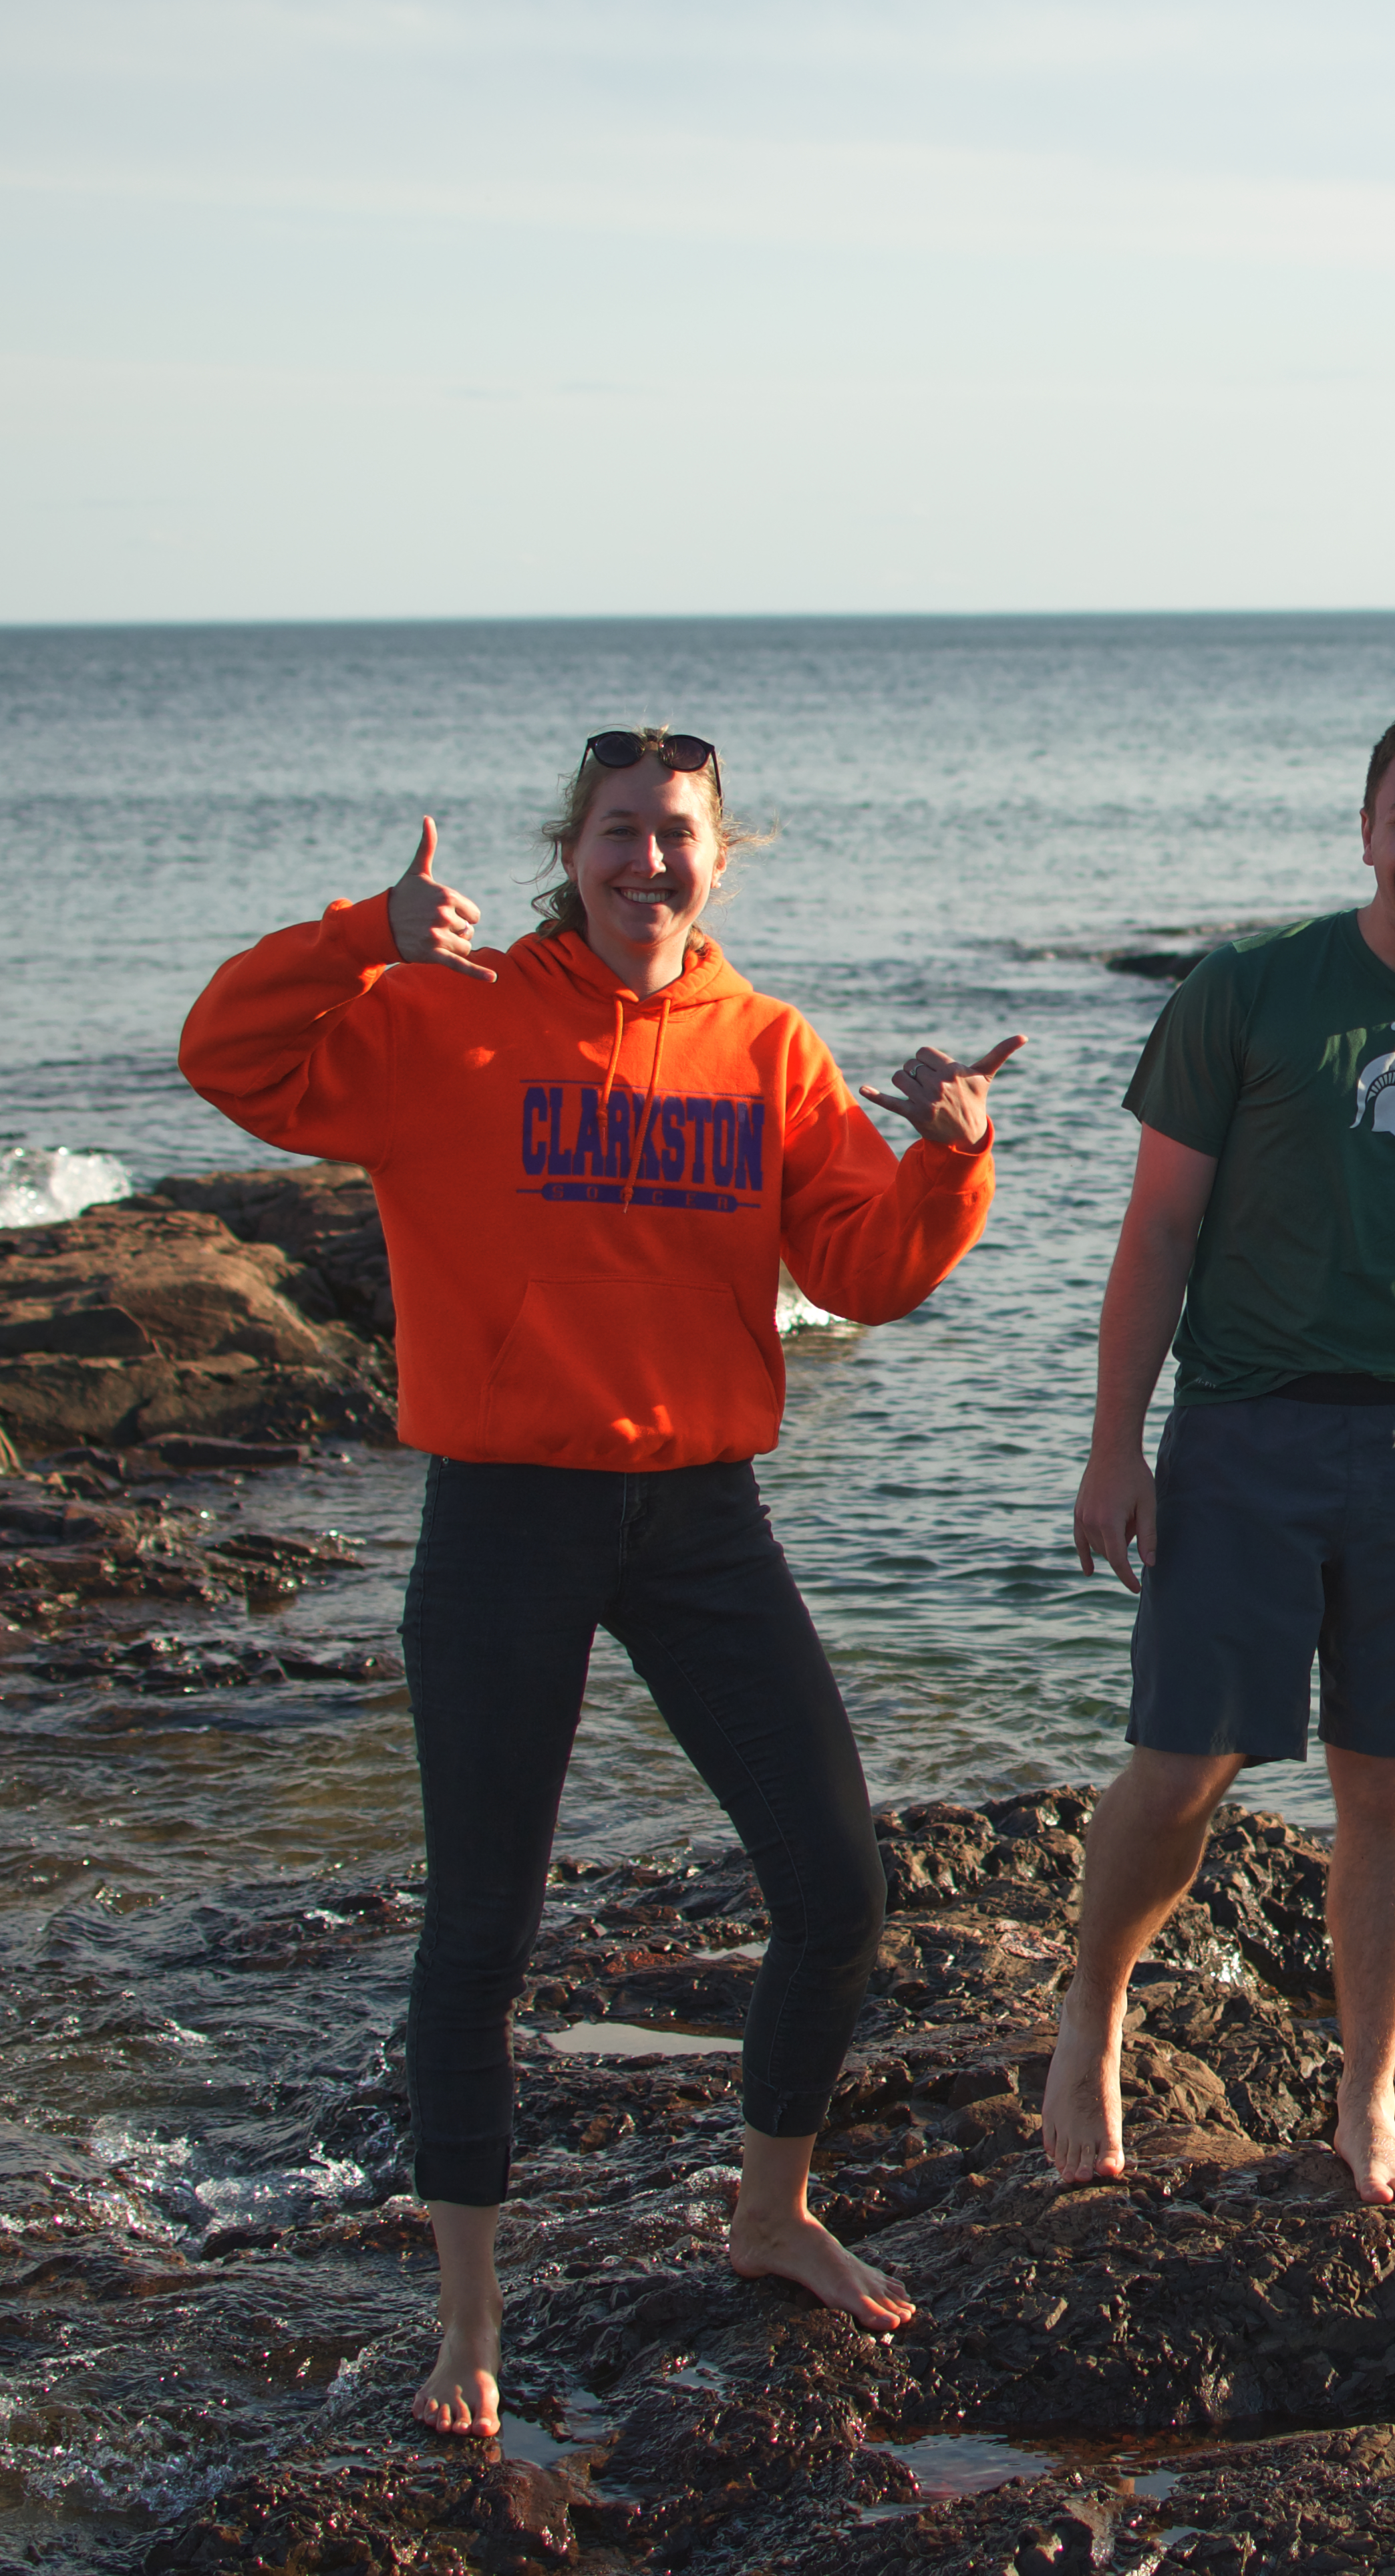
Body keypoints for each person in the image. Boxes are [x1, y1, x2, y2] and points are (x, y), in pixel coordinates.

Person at [179, 725, 1024, 2435]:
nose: (651, 859)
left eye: (680, 833)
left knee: (840, 1885)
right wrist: (364, 931)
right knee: (483, 1926)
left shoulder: (768, 1047)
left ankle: (772, 2207)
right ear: (572, 849)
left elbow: (858, 1267)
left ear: (727, 853)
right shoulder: (442, 1020)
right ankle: (467, 2322)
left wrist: (947, 1156)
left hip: (703, 1515)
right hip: (506, 1514)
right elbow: (229, 1057)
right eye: (621, 831)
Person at [1044, 700, 1395, 2208]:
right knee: (1183, 1765)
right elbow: (1158, 1229)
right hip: (1243, 1423)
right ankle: (1093, 2006)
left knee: (1389, 1780)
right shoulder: (1251, 992)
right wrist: (1116, 1444)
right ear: (1367, 827)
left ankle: (1367, 2105)